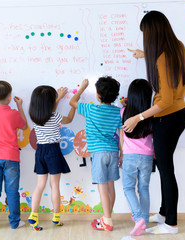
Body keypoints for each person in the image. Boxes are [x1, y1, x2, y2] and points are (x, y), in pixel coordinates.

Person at [124, 10, 185, 234]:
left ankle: (171, 223)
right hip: (179, 114)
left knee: (166, 170)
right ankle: (163, 213)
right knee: (163, 166)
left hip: (167, 117)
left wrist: (138, 117)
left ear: (153, 33)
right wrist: (144, 55)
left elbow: (165, 100)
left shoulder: (161, 58)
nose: (145, 39)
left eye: (145, 35)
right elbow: (167, 72)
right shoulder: (177, 46)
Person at [70, 77, 122, 232]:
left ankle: (107, 222)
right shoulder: (118, 111)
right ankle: (107, 218)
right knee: (110, 185)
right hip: (113, 151)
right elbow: (121, 133)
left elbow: (72, 102)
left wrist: (82, 87)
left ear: (98, 95)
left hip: (98, 153)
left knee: (102, 187)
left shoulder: (91, 109)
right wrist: (122, 153)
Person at [27, 86, 75, 231]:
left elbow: (48, 109)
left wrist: (58, 98)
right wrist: (73, 105)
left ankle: (33, 215)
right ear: (50, 103)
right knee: (55, 185)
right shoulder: (55, 117)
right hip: (53, 151)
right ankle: (56, 217)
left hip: (40, 151)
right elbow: (70, 119)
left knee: (40, 185)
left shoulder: (34, 116)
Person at [0, 81, 28, 230]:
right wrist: (20, 106)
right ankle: (15, 223)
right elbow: (24, 125)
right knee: (12, 192)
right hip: (11, 158)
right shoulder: (13, 114)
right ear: (10, 98)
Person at [119, 79, 154, 236]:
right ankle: (144, 221)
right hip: (147, 157)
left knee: (128, 188)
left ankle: (139, 217)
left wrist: (122, 153)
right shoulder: (151, 114)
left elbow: (121, 136)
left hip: (130, 156)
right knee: (144, 188)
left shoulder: (123, 112)